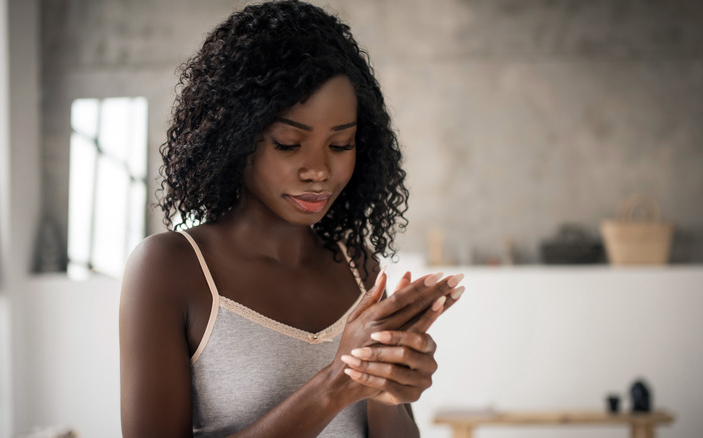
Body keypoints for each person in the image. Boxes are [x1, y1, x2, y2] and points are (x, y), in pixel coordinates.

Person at [119, 1, 465, 437]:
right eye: (288, 144)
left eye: (340, 145)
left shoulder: (359, 269)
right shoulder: (171, 268)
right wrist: (337, 384)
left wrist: (384, 390)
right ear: (235, 137)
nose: (319, 170)